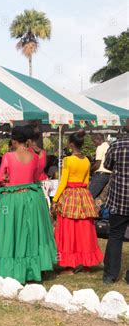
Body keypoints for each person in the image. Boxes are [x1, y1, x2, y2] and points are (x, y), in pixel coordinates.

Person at [0, 126, 57, 283]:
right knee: (32, 233)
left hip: (12, 200)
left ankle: (11, 269)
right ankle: (34, 268)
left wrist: (4, 179)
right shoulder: (36, 157)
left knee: (12, 233)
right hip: (32, 198)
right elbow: (36, 177)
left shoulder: (9, 156)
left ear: (14, 141)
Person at [52, 130, 103, 274]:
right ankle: (86, 264)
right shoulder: (87, 160)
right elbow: (87, 181)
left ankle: (69, 265)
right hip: (83, 195)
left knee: (68, 229)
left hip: (70, 195)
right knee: (85, 229)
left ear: (70, 144)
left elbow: (63, 182)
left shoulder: (68, 160)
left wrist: (55, 199)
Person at [102, 120, 129, 284]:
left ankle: (110, 275)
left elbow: (107, 165)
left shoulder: (116, 145)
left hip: (119, 199)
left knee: (115, 236)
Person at [89, 133, 112, 198]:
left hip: (100, 175)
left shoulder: (100, 147)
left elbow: (97, 165)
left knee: (89, 197)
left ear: (98, 140)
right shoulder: (109, 146)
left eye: (94, 141)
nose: (94, 144)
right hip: (108, 175)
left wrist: (89, 171)